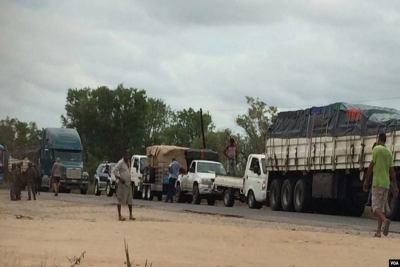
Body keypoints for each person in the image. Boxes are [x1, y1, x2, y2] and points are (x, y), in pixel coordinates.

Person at [364, 133, 399, 237]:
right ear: (386, 140)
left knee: (375, 207)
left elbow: (371, 166)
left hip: (377, 182)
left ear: (378, 139)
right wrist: (396, 186)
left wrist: (366, 180)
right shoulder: (388, 152)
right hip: (386, 184)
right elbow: (392, 171)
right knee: (381, 208)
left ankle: (385, 221)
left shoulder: (376, 149)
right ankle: (378, 232)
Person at [113, 151, 135, 221]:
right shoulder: (120, 163)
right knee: (120, 199)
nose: (127, 157)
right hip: (122, 184)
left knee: (130, 200)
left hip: (128, 184)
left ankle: (131, 214)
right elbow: (114, 171)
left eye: (128, 155)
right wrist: (120, 178)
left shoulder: (128, 163)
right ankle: (120, 215)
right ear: (123, 155)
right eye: (126, 155)